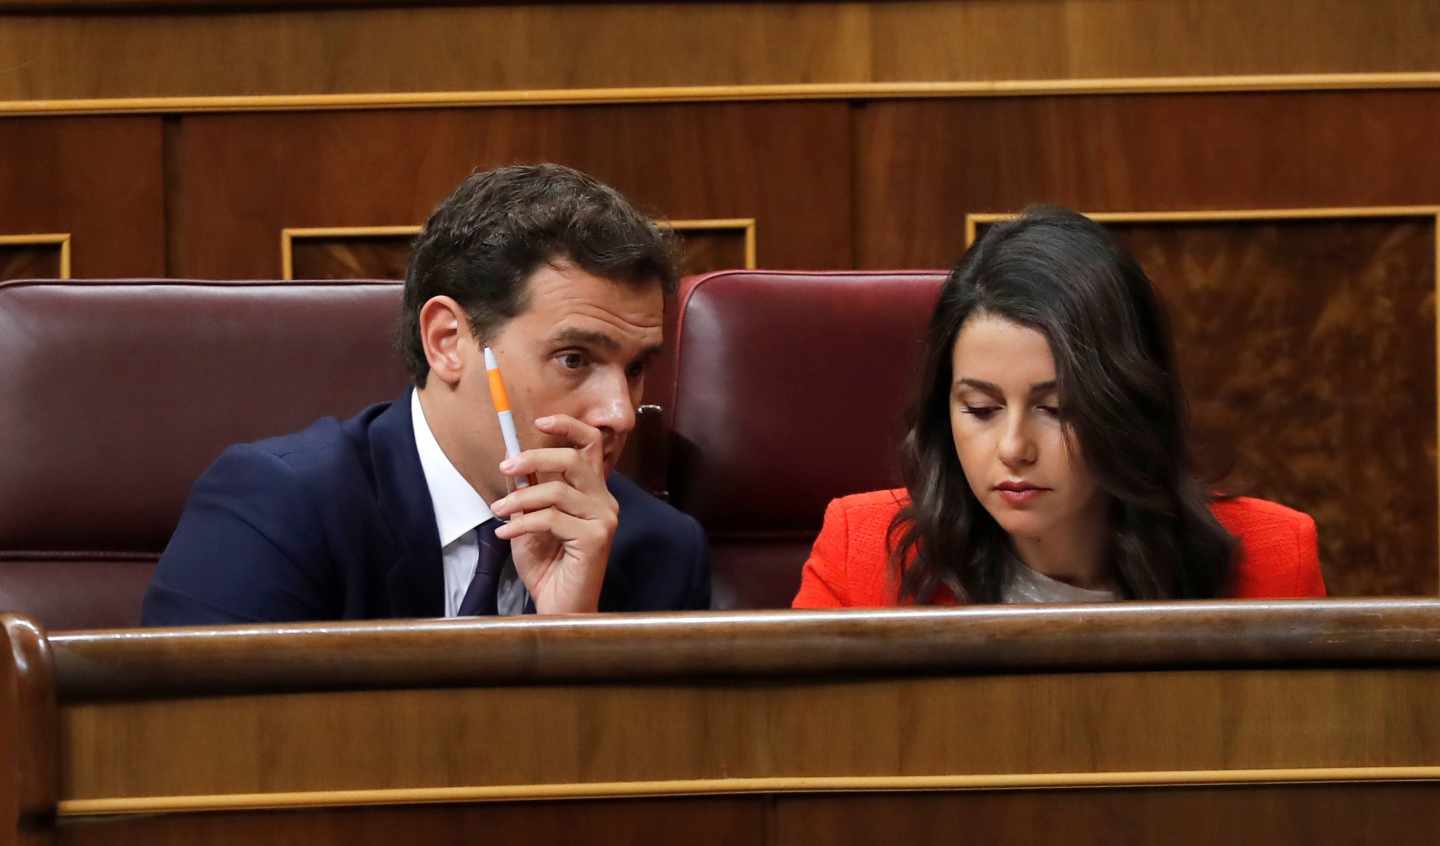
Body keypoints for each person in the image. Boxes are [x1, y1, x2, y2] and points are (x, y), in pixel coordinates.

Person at [144, 164, 710, 624]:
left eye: (635, 368)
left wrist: (568, 639)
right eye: (574, 359)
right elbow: (187, 753)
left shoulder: (658, 553)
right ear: (448, 342)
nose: (620, 413)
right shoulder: (279, 510)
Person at [793, 206, 1325, 608]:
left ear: (1125, 406)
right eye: (981, 409)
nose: (1014, 449)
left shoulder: (1274, 559)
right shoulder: (859, 557)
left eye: (1058, 409)